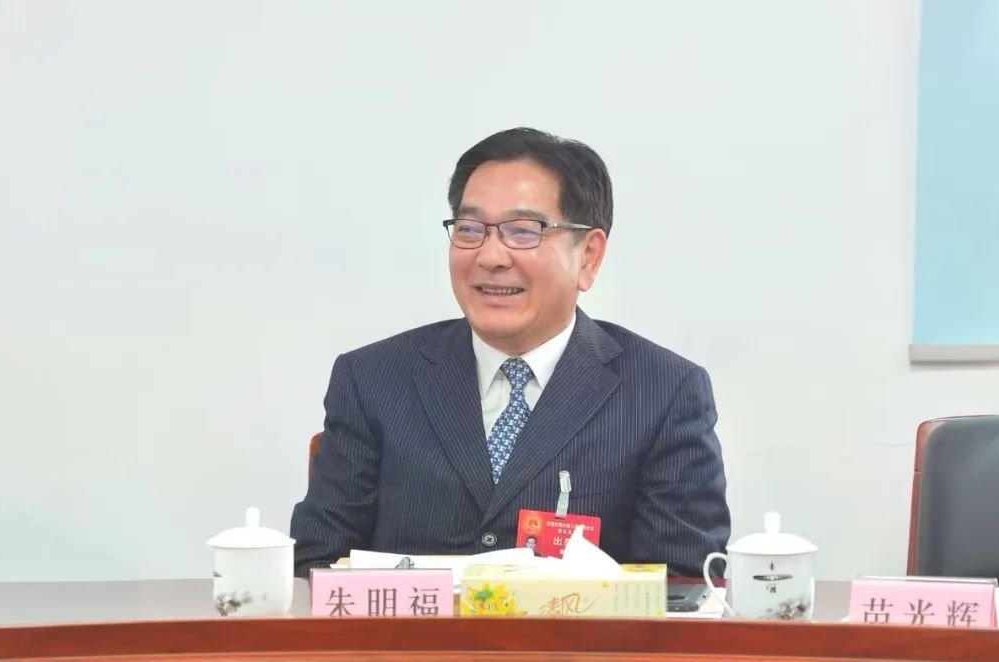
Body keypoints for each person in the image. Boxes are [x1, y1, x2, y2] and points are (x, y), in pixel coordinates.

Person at [290, 127, 729, 577]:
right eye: (470, 230)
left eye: (523, 231)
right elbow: (317, 567)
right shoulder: (373, 379)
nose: (491, 256)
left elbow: (683, 587)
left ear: (589, 256)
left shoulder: (663, 392)